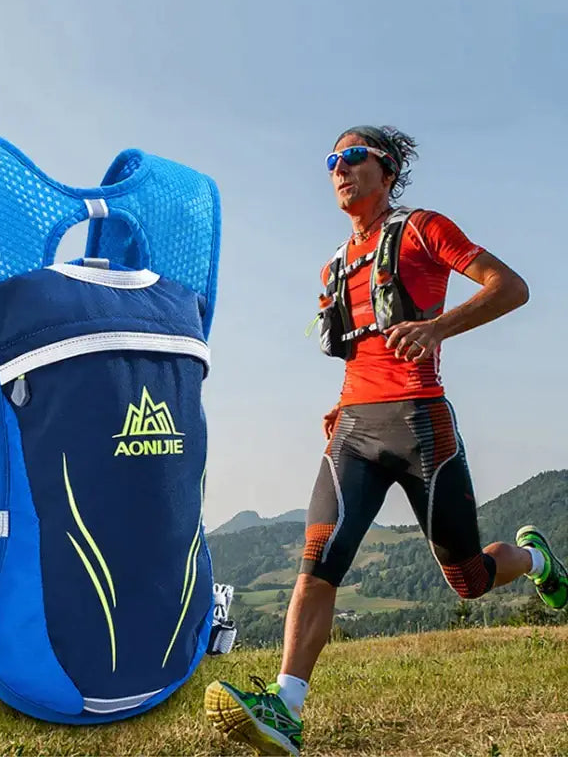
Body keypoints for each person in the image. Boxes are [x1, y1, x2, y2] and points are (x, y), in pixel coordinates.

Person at [204, 125, 568, 756]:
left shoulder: (424, 227)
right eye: (331, 161)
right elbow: (357, 351)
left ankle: (537, 560)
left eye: (353, 157)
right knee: (317, 566)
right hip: (353, 430)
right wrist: (343, 410)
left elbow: (510, 286)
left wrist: (438, 328)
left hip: (422, 424)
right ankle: (287, 707)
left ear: (388, 169)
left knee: (468, 578)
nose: (339, 169)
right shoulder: (335, 265)